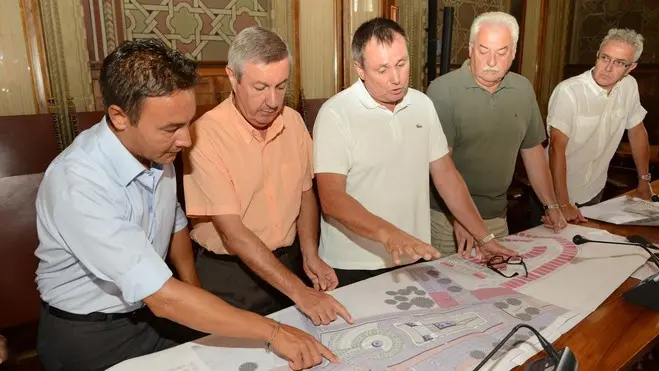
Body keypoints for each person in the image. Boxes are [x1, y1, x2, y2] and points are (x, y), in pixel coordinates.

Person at [34, 39, 337, 371]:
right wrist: (274, 333)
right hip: (92, 335)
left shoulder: (155, 148)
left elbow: (174, 221)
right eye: (171, 128)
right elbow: (162, 297)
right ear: (120, 117)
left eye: (188, 122)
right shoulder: (78, 183)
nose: (187, 140)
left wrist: (193, 287)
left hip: (152, 316)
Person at [313, 17, 518, 288]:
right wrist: (388, 235)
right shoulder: (336, 113)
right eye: (382, 69)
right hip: (352, 265)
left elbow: (446, 175)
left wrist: (484, 237)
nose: (396, 79)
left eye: (401, 64)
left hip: (413, 258)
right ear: (360, 69)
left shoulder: (422, 105)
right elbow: (331, 198)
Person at [183, 26, 351, 326]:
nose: (273, 101)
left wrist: (310, 253)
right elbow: (232, 233)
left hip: (289, 265)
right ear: (232, 78)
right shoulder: (204, 135)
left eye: (281, 86)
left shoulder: (294, 122)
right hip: (232, 277)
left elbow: (305, 195)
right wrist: (300, 292)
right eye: (260, 88)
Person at [425, 11, 567, 257]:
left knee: (498, 289)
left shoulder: (523, 89)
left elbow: (533, 153)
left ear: (513, 54)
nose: (492, 61)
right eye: (483, 51)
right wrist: (461, 218)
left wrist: (552, 204)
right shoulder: (443, 91)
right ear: (470, 49)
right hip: (448, 219)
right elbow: (441, 167)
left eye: (501, 52)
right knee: (450, 291)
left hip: (497, 217)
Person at [547, 28, 654, 222]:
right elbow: (556, 148)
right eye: (605, 58)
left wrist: (643, 180)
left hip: (594, 190)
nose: (608, 67)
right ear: (597, 55)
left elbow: (637, 132)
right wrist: (562, 204)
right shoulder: (569, 91)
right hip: (554, 195)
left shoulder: (629, 87)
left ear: (631, 68)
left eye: (619, 63)